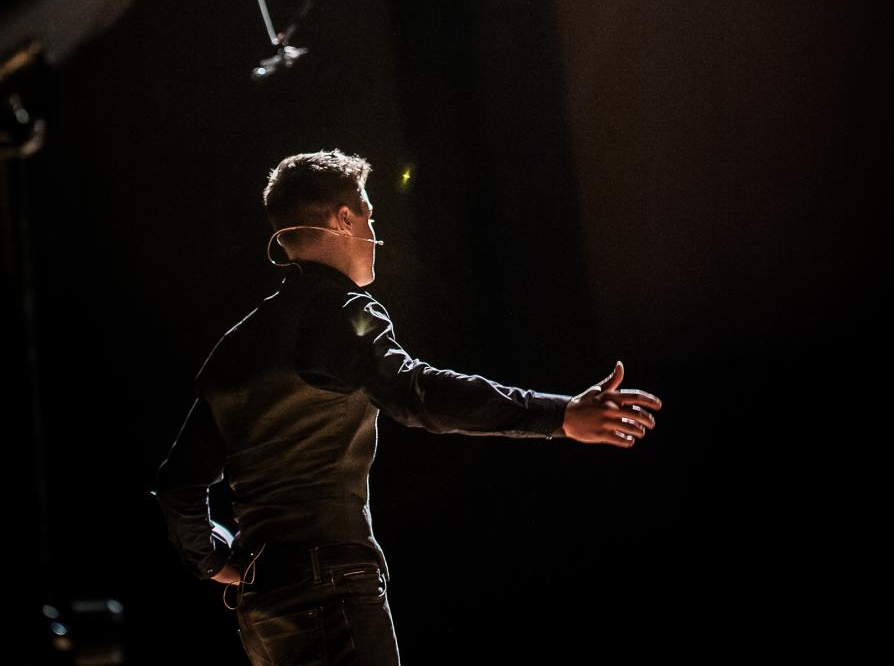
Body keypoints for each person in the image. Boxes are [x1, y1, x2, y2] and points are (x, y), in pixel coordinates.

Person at [154, 150, 662, 665]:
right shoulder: (341, 312)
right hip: (331, 586)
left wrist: (220, 561)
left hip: (263, 608)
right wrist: (558, 416)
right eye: (370, 214)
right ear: (344, 219)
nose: (376, 233)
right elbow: (417, 393)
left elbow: (177, 486)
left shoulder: (235, 347)